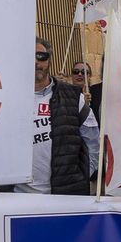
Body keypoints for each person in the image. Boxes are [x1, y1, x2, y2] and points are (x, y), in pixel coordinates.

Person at [19, 38, 98, 195]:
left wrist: (81, 178)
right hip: (19, 196)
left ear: (49, 60)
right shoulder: (7, 99)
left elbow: (93, 142)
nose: (36, 62)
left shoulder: (74, 97)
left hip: (65, 197)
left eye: (41, 56)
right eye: (30, 55)